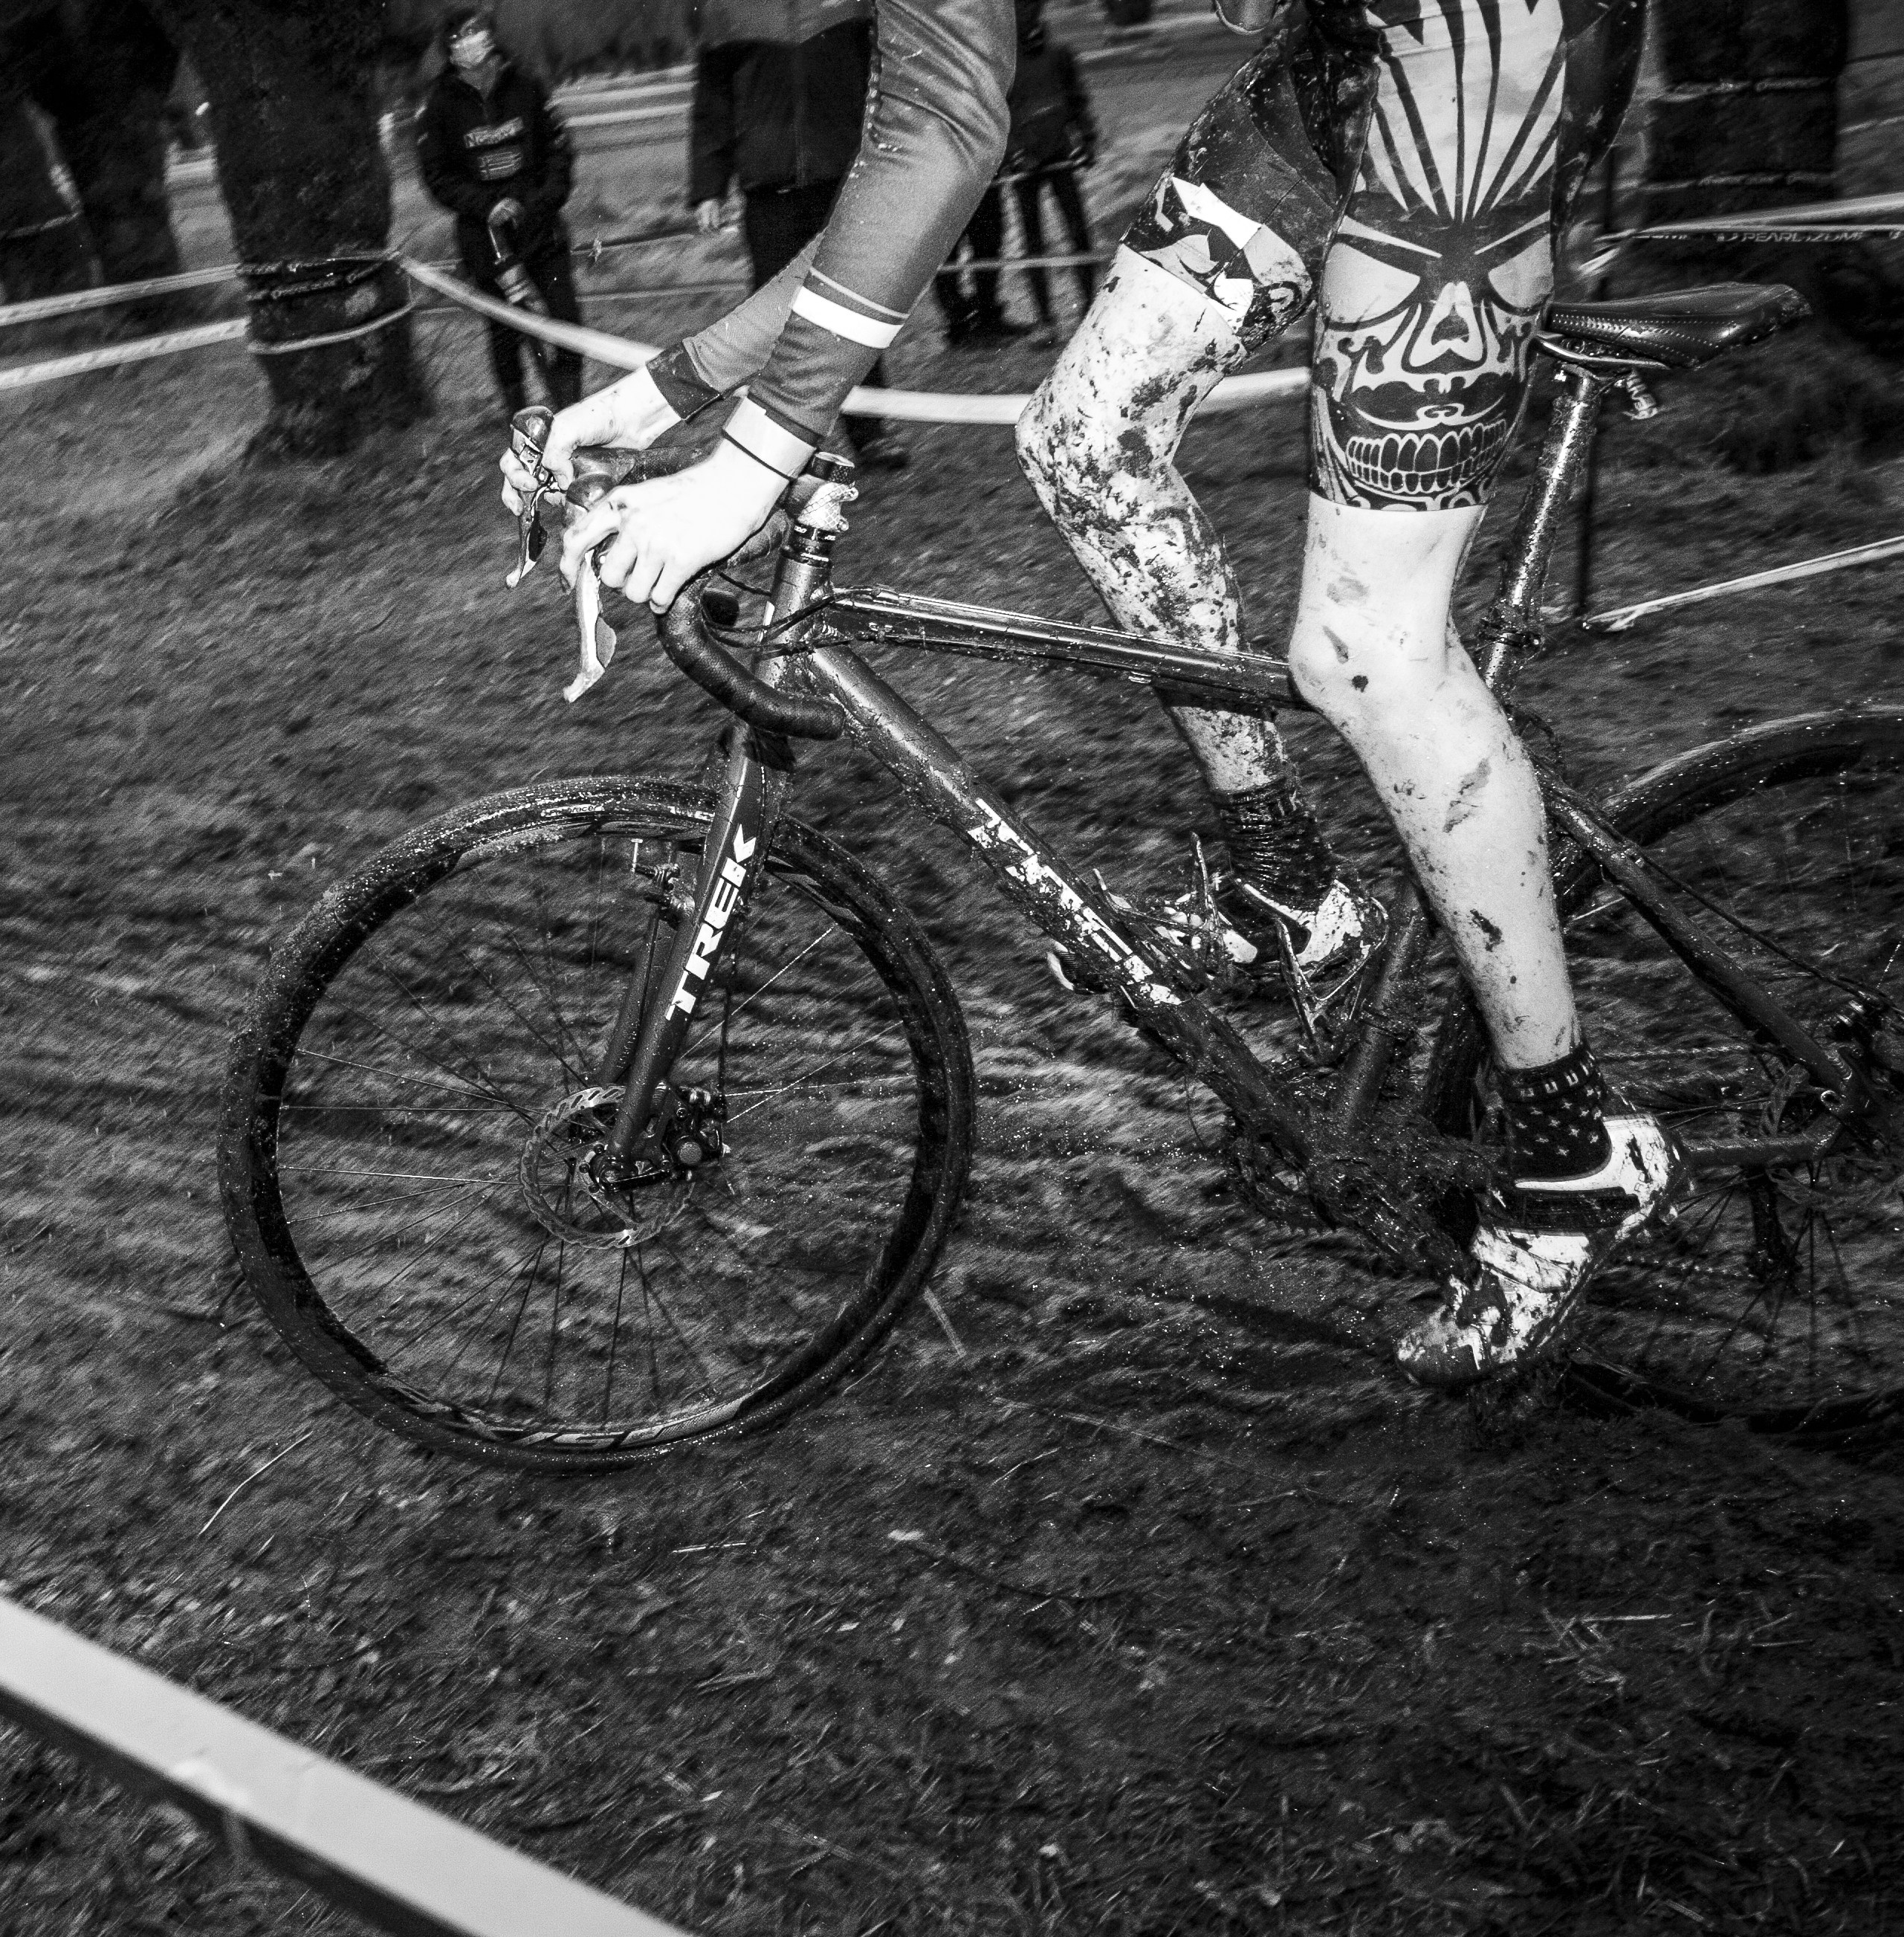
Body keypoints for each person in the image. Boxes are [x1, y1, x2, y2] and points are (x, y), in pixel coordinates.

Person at [511, 0, 1671, 1390]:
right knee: (1082, 436)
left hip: (1480, 48)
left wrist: (748, 461)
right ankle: (1286, 882)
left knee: (1368, 647)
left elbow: (939, 148)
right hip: (1337, 57)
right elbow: (919, 158)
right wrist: (661, 394)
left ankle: (1566, 1147)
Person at [685, 0, 911, 472]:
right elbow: (712, 104)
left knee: (855, 310)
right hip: (769, 192)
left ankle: (871, 434)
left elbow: (882, 81)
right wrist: (709, 186)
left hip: (840, 181)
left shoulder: (846, 10)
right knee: (780, 324)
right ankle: (786, 444)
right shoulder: (731, 16)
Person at [415, 7, 586, 417]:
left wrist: (541, 199)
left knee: (567, 319)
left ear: (490, 38)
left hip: (540, 225)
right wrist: (485, 205)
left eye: (476, 33)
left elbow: (558, 149)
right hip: (485, 234)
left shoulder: (526, 85)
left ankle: (570, 406)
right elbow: (437, 175)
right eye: (459, 38)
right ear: (449, 49)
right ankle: (518, 413)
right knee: (506, 328)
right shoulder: (438, 105)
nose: (469, 42)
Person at [933, 0, 1101, 343]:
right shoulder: (1000, 64)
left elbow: (1077, 101)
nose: (1023, 16)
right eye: (1017, 10)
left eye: (1029, 8)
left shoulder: (1059, 54)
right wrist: (1013, 154)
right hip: (1024, 169)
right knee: (1032, 241)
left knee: (1078, 234)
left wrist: (1086, 140)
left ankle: (1091, 310)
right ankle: (1045, 322)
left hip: (1060, 160)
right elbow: (996, 114)